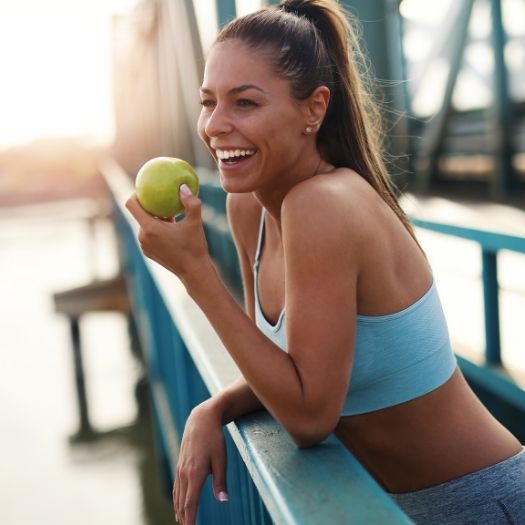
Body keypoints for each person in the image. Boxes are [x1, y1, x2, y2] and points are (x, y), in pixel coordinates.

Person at [125, 1, 525, 524]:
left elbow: (310, 415)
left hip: (480, 503)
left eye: (244, 103)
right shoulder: (251, 210)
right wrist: (214, 408)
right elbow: (283, 371)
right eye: (209, 102)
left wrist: (196, 272)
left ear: (314, 109)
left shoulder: (323, 205)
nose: (215, 126)